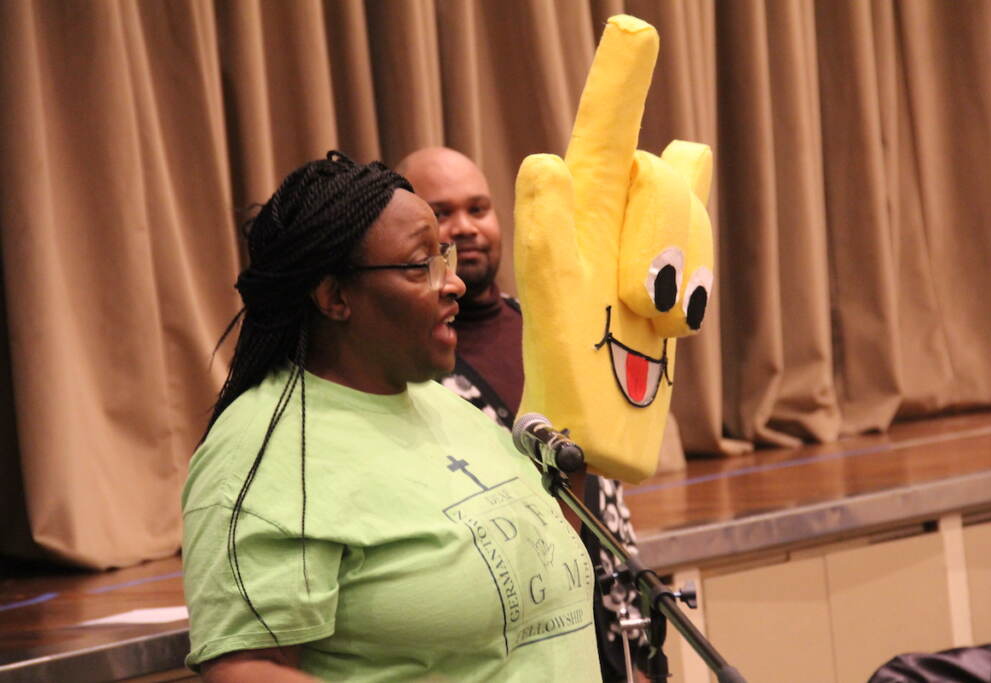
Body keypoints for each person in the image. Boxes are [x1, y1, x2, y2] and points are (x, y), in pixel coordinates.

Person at [181, 151, 601, 681]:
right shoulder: (263, 451)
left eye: (444, 259)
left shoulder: (449, 407)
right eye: (420, 264)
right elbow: (245, 670)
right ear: (334, 295)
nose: (453, 284)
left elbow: (525, 598)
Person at [397, 146, 647, 682]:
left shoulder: (558, 330)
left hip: (617, 638)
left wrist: (645, 653)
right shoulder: (414, 363)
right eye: (441, 213)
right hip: (517, 650)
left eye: (479, 208)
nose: (464, 227)